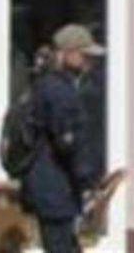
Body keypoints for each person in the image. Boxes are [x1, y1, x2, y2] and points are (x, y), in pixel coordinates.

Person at [20, 24, 105, 253]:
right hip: (55, 189)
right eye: (85, 55)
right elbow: (67, 143)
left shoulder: (45, 85)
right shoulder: (58, 92)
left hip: (52, 188)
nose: (89, 62)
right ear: (68, 54)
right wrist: (88, 181)